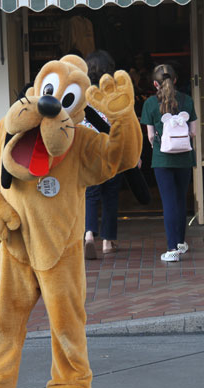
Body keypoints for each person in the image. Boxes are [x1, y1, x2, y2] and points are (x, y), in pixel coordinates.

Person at [141, 64, 197, 262]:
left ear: (155, 83)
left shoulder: (149, 104)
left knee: (169, 202)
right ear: (175, 80)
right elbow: (193, 132)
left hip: (162, 158)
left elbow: (149, 136)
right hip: (184, 158)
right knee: (181, 200)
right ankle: (181, 243)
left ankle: (172, 249)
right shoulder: (187, 100)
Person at [82, 50, 123, 259]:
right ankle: (108, 241)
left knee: (90, 193)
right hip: (111, 148)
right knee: (111, 194)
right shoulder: (113, 94)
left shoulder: (83, 94)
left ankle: (89, 234)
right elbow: (120, 122)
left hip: (89, 148)